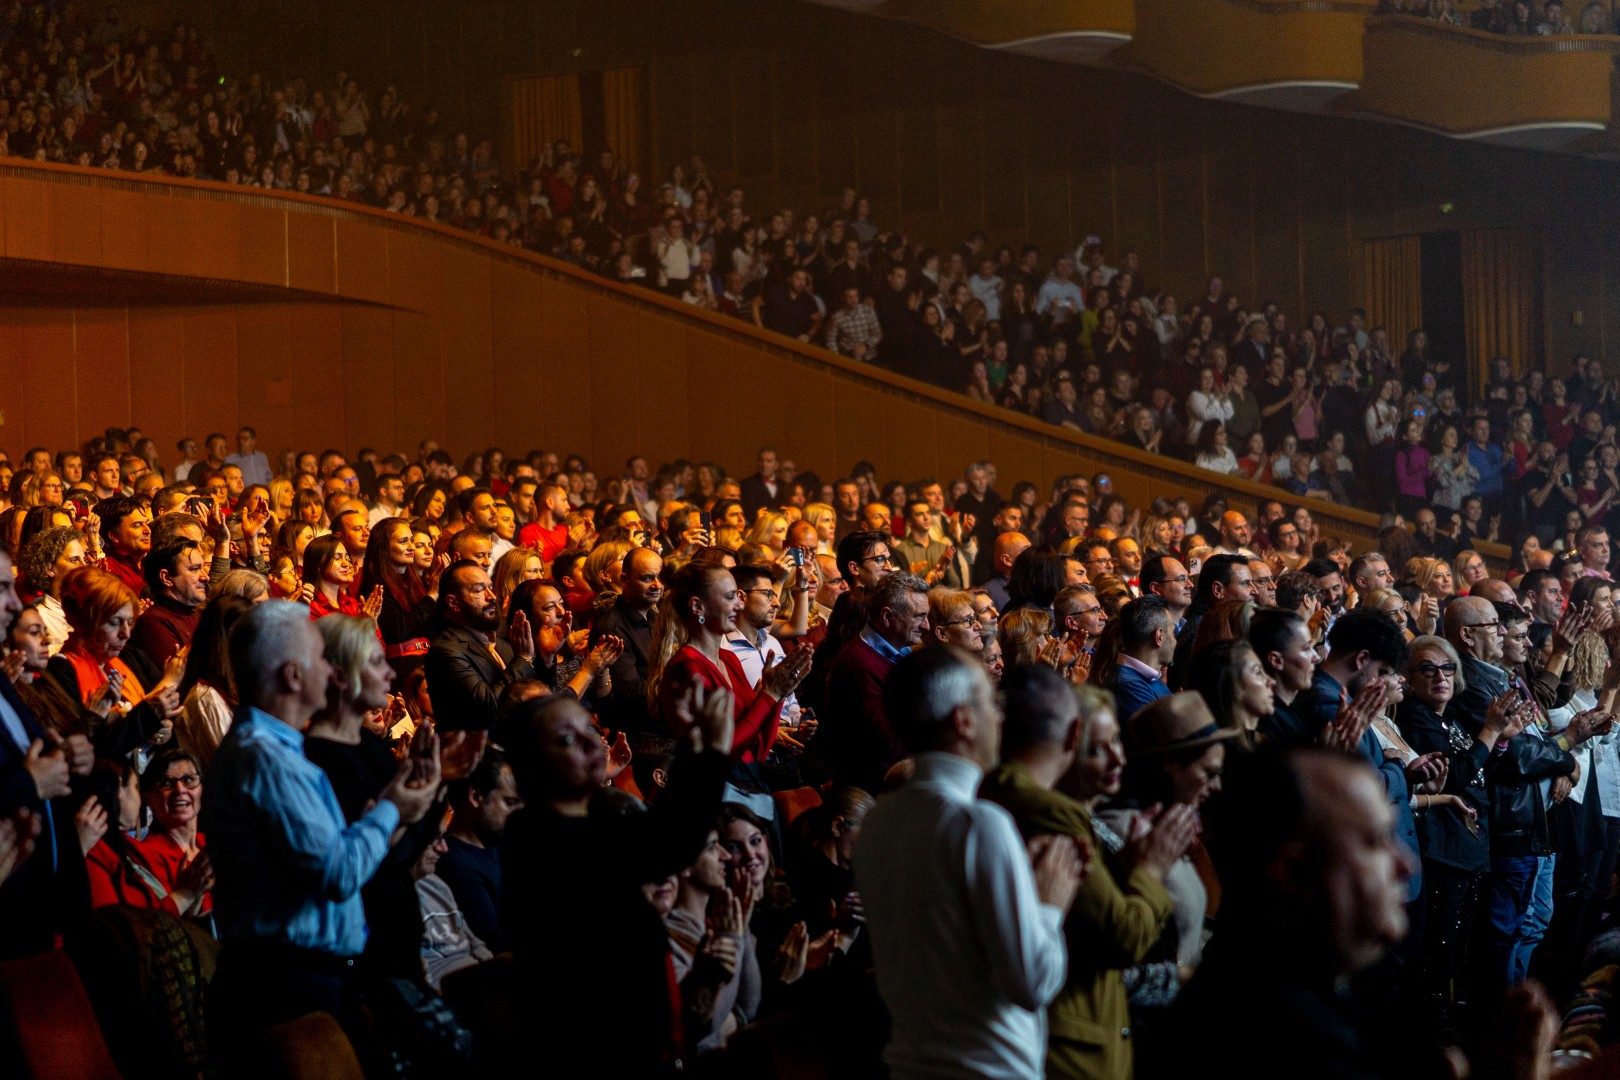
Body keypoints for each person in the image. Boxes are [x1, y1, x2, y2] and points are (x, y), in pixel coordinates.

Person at [202, 600, 441, 1063]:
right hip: (284, 987)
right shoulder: (265, 758)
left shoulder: (278, 752)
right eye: (322, 659)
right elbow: (337, 870)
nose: (333, 671)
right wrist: (393, 808)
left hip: (305, 978)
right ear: (293, 675)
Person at [858, 646, 1082, 1080]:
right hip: (986, 1067)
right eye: (991, 702)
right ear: (963, 720)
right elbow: (1031, 982)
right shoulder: (978, 824)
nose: (1000, 717)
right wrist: (1049, 904)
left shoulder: (877, 823)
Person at [497, 690, 736, 1073]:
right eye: (566, 739)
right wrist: (712, 751)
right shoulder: (539, 839)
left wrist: (693, 743)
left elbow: (664, 832)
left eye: (588, 728)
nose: (592, 741)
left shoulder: (595, 815)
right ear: (531, 768)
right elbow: (671, 844)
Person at [980, 670, 1196, 1080]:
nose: (1119, 758)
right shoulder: (1054, 817)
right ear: (1067, 744)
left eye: (1116, 741)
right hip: (1073, 1042)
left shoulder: (1076, 816)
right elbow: (1124, 934)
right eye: (1098, 749)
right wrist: (1150, 869)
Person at [824, 571, 931, 790]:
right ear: (887, 616)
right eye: (919, 616)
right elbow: (888, 746)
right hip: (875, 794)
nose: (927, 625)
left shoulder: (900, 654)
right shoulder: (860, 665)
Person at [424, 561, 537, 732]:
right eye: (478, 590)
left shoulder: (498, 642)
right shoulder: (446, 651)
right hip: (477, 753)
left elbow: (536, 692)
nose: (491, 596)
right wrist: (523, 659)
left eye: (490, 587)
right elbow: (489, 707)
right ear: (453, 603)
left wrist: (547, 656)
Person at [438, 748, 521, 953]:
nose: (518, 814)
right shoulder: (456, 867)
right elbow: (497, 946)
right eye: (509, 803)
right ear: (476, 796)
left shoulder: (500, 845)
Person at [128, 539, 209, 669]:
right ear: (166, 578)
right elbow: (179, 680)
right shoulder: (153, 622)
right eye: (194, 569)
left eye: (203, 568)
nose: (205, 577)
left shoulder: (199, 614)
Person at [1098, 595, 1174, 722]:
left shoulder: (1148, 678)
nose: (1175, 641)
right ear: (1159, 636)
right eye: (1172, 634)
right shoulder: (1128, 686)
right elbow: (1164, 736)